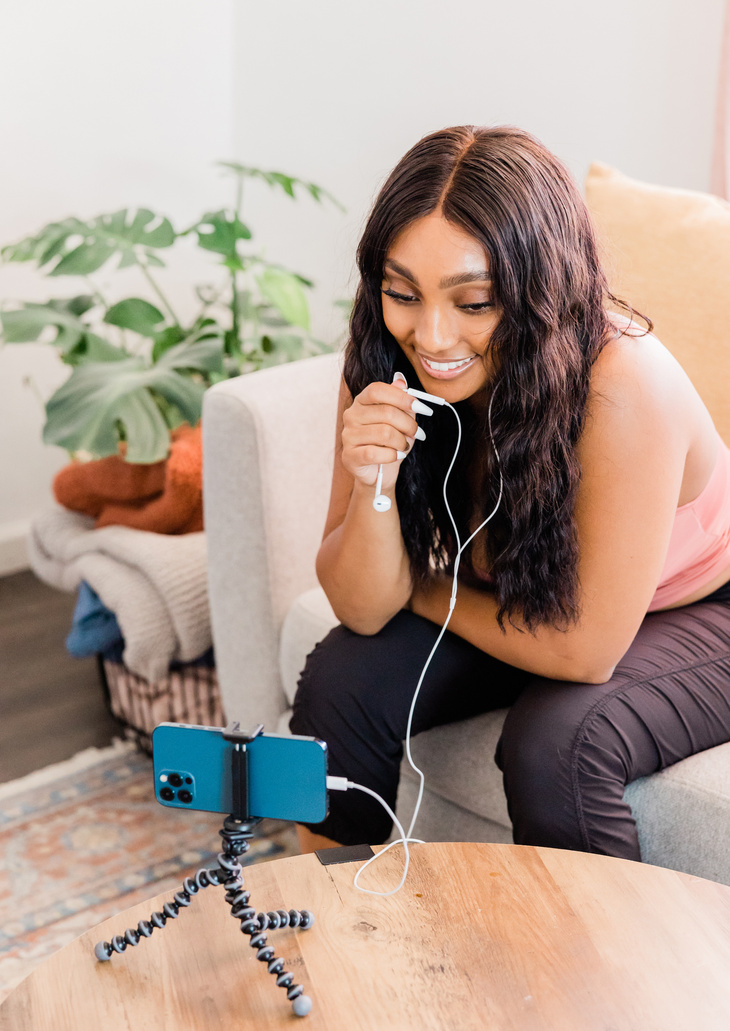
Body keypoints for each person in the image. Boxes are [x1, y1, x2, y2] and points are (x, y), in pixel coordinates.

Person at [290, 125, 730, 860]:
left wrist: (423, 585)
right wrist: (375, 480)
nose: (430, 335)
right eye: (403, 292)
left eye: (475, 302)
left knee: (557, 743)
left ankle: (590, 972)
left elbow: (587, 649)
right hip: (526, 591)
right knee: (343, 674)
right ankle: (336, 941)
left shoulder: (623, 386)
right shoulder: (383, 355)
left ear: (538, 292)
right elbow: (363, 604)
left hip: (700, 604)